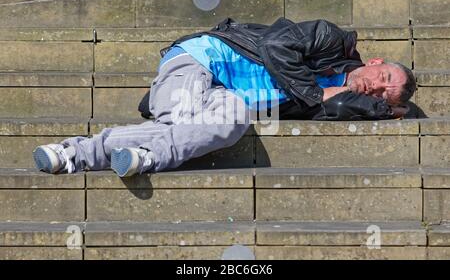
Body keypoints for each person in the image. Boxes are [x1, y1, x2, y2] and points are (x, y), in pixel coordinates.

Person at [32, 18, 416, 177]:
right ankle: (78, 152)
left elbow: (347, 105)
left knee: (231, 124)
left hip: (224, 95)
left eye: (384, 93)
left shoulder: (338, 102)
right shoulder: (331, 39)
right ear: (375, 60)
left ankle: (143, 156)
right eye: (383, 78)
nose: (377, 88)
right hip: (202, 60)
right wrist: (317, 92)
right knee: (183, 120)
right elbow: (276, 46)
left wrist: (385, 108)